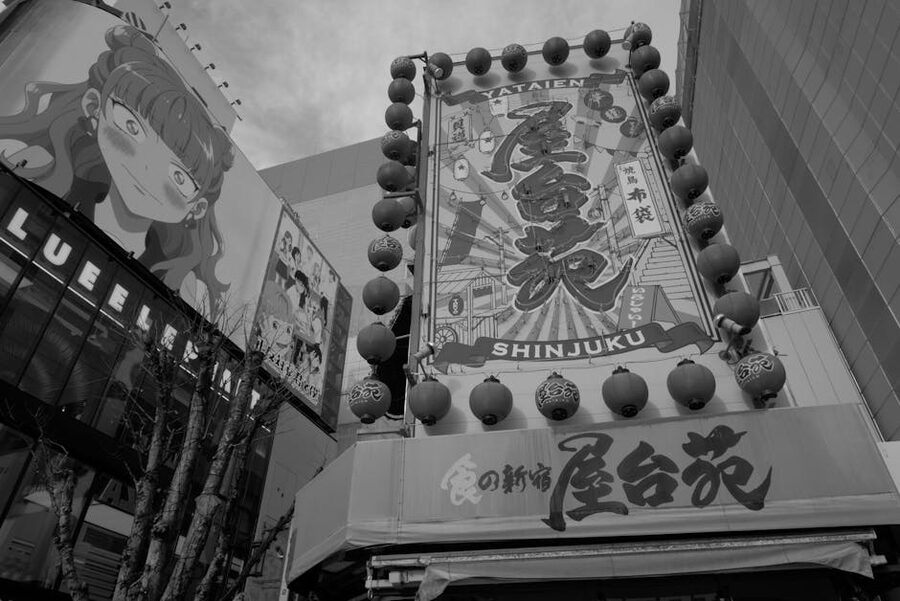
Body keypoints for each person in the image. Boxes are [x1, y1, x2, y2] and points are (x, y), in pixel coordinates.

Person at [0, 25, 234, 317]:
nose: (148, 168)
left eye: (179, 176)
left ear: (198, 207)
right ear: (94, 108)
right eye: (132, 126)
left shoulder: (179, 278)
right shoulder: (41, 167)